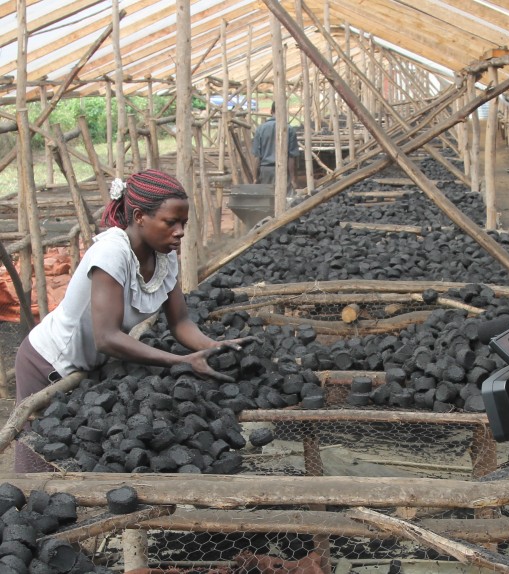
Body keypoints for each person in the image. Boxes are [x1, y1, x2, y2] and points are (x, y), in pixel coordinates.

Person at [14, 169, 255, 472]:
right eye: (171, 222)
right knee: (40, 451)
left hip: (92, 364)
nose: (180, 231)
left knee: (75, 454)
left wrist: (215, 346)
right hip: (48, 362)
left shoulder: (164, 255)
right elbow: (108, 337)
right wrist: (178, 361)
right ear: (140, 216)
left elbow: (180, 322)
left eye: (184, 223)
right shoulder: (112, 252)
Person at [251, 102, 300, 190]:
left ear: (271, 111)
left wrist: (255, 177)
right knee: (285, 199)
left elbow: (257, 157)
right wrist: (293, 179)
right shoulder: (290, 129)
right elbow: (291, 157)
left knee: (266, 198)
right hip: (283, 170)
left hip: (266, 171)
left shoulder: (260, 129)